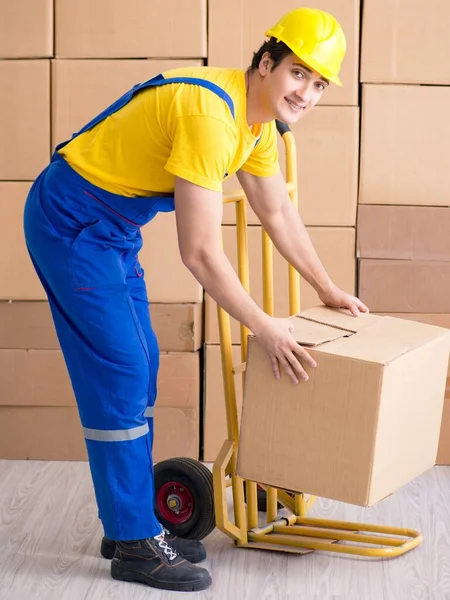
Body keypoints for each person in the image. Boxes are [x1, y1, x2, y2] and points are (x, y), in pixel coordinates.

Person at [23, 6, 369, 593]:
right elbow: (201, 252)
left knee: (143, 365)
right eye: (297, 74)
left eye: (318, 84)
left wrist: (326, 287)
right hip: (72, 222)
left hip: (110, 230)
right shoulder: (213, 114)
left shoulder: (253, 125)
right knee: (123, 369)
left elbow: (277, 211)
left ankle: (126, 523)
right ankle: (134, 544)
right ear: (266, 64)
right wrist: (265, 326)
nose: (306, 93)